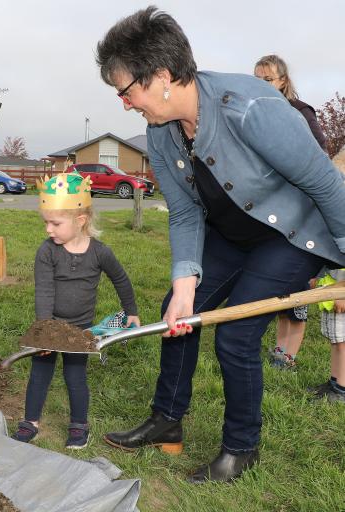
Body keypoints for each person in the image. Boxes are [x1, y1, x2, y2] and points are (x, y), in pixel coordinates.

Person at [96, 6, 345, 483]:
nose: (125, 104)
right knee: (178, 311)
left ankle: (241, 447)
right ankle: (167, 420)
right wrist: (185, 281)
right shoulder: (162, 133)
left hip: (289, 237)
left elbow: (326, 184)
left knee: (235, 337)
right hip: (230, 235)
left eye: (126, 91)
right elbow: (187, 211)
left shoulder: (249, 107)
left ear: (162, 76)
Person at [11, 171, 140, 449]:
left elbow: (121, 279)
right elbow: (44, 290)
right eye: (46, 222)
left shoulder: (100, 252)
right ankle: (30, 421)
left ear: (80, 221)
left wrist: (130, 310)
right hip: (51, 325)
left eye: (55, 223)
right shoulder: (47, 252)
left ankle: (79, 425)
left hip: (80, 330)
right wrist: (45, 331)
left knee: (75, 376)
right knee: (40, 373)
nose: (48, 230)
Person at [254, 54, 328, 370]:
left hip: (302, 213)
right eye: (256, 79)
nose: (261, 85)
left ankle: (288, 355)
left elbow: (319, 153)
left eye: (267, 79)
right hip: (272, 213)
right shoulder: (255, 113)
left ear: (283, 80)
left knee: (298, 287)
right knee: (280, 288)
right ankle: (279, 349)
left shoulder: (300, 112)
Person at [312, 269, 345, 403]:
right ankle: (334, 382)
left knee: (343, 343)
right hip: (331, 298)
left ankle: (341, 389)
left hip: (340, 298)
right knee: (336, 342)